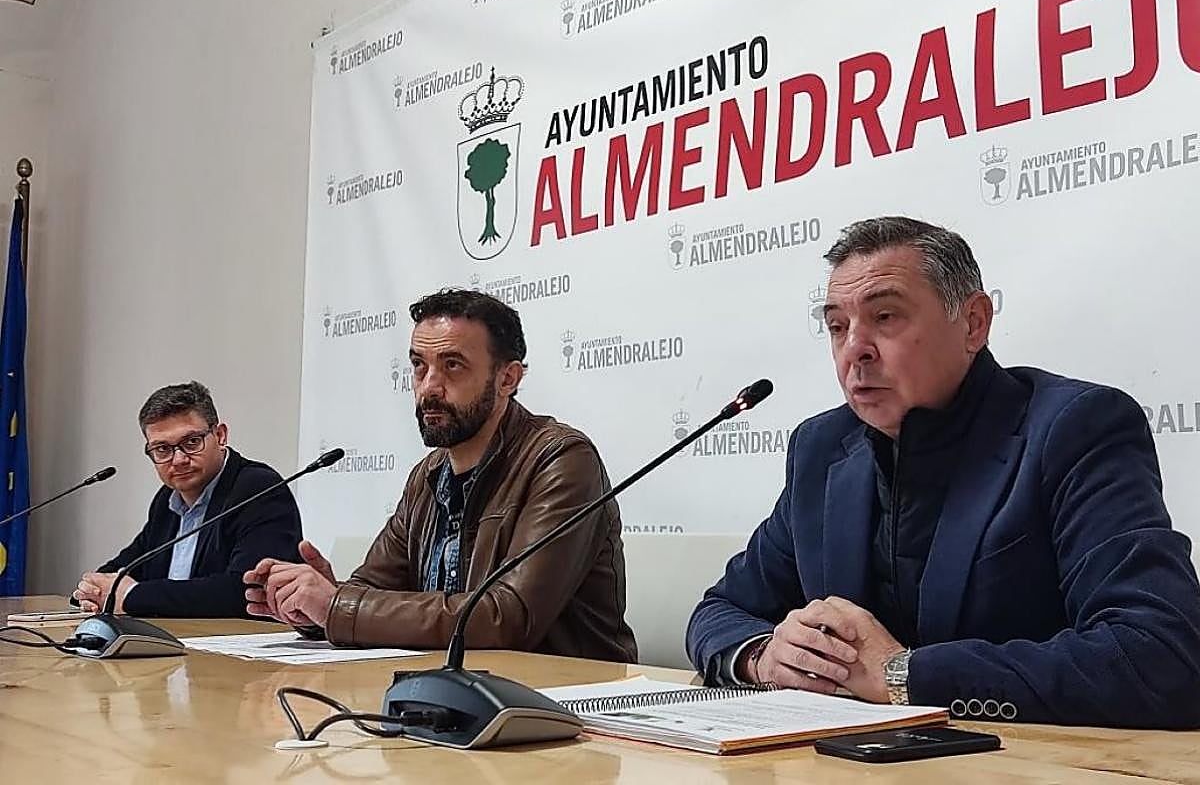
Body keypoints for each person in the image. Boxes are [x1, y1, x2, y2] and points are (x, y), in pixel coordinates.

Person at [686, 216, 1200, 728]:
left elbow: (1160, 654)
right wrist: (764, 657)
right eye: (838, 326)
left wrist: (905, 675)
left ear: (973, 323)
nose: (855, 349)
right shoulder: (821, 450)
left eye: (885, 317)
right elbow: (719, 610)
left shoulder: (1073, 429)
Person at [245, 289, 637, 662]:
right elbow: (371, 590)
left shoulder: (560, 460)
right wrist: (315, 607)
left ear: (508, 379)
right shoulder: (428, 475)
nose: (429, 387)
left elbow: (506, 617)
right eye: (419, 365)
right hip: (455, 688)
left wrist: (337, 607)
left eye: (452, 365)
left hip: (564, 693)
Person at [73, 381, 303, 617]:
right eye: (162, 449)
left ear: (220, 436)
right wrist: (93, 590)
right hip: (178, 634)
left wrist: (133, 596)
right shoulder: (167, 500)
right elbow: (129, 564)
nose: (179, 460)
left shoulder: (258, 489)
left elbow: (246, 590)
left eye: (192, 442)